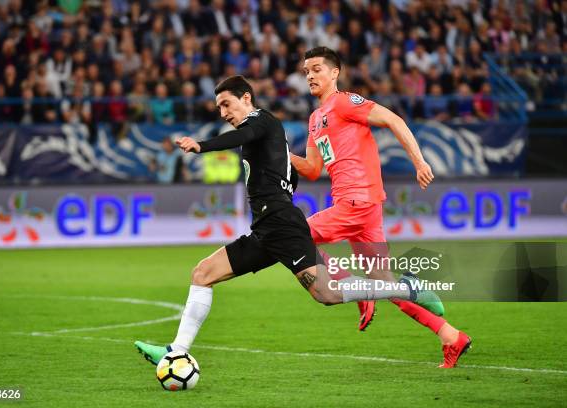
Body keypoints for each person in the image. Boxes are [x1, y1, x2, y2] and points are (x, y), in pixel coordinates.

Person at [134, 75, 439, 365]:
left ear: (246, 97)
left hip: (280, 224)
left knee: (326, 294)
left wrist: (202, 146)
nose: (223, 112)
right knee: (202, 273)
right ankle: (176, 352)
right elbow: (292, 177)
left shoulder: (261, 121)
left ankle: (405, 289)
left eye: (227, 104)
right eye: (219, 108)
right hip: (266, 228)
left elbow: (243, 134)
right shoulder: (267, 138)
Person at [291, 47, 471, 368]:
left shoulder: (345, 102)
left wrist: (419, 161)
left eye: (317, 69)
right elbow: (311, 169)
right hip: (360, 207)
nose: (310, 76)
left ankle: (359, 291)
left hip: (357, 201)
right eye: (307, 71)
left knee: (293, 235)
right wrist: (278, 154)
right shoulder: (315, 119)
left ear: (335, 73)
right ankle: (450, 336)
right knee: (385, 287)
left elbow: (392, 119)